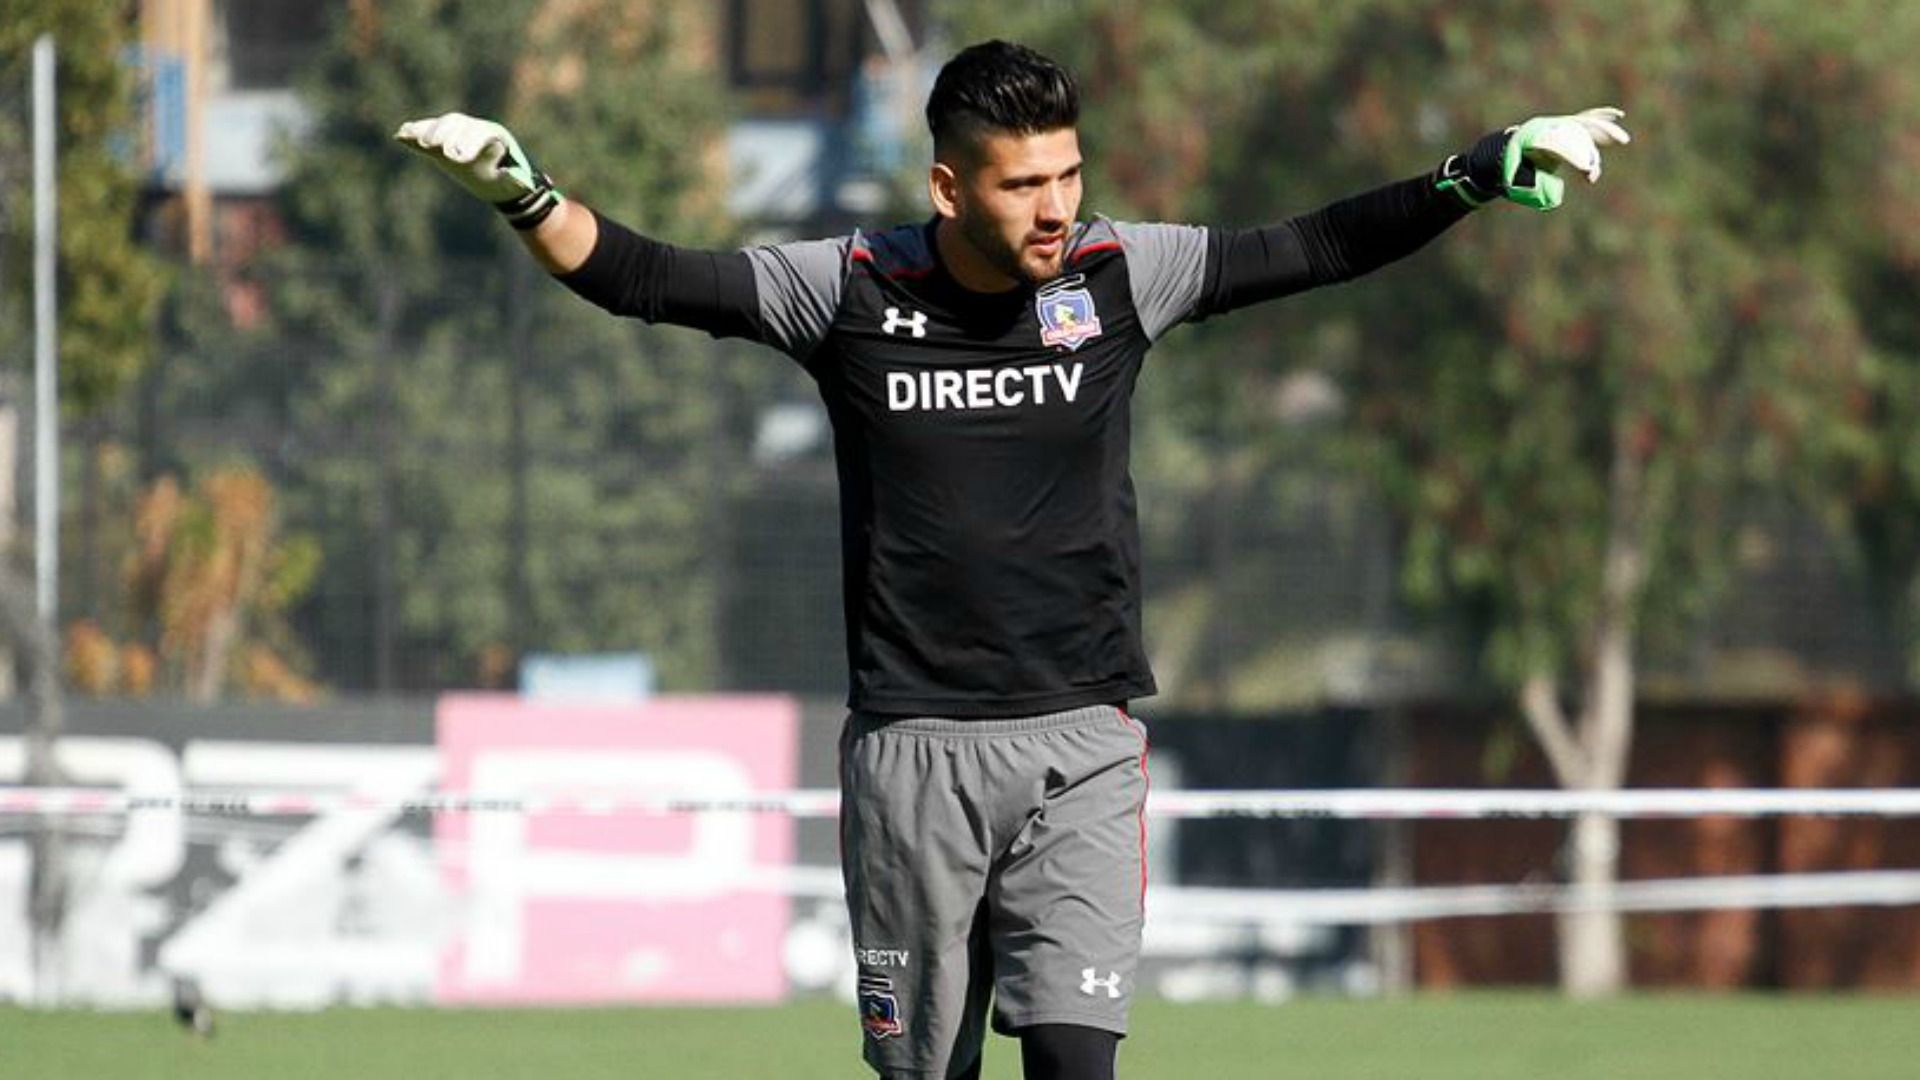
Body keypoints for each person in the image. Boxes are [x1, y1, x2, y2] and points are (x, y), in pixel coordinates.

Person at [397, 39, 1628, 1080]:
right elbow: (649, 278)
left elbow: (1313, 245)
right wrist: (522, 190)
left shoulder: (1120, 272)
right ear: (948, 187)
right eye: (1024, 183)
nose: (1056, 207)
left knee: (1077, 1065)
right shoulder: (846, 288)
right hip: (913, 752)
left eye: (1069, 174)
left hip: (1081, 745)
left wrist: (1475, 173)